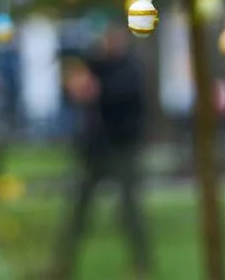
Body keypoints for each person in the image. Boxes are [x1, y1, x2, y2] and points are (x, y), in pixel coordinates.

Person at [52, 17, 151, 280]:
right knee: (77, 212)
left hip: (122, 147)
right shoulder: (94, 64)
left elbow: (125, 93)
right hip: (94, 149)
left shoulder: (129, 67)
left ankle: (141, 264)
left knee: (130, 211)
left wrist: (97, 90)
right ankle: (62, 265)